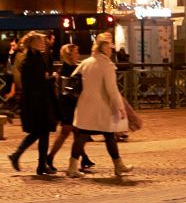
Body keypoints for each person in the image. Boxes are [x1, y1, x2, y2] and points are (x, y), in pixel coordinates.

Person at [67, 34, 133, 178]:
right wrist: (120, 107)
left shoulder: (86, 62)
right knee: (108, 134)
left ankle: (72, 167)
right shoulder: (106, 64)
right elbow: (111, 88)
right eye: (110, 47)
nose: (111, 50)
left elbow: (74, 79)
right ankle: (118, 165)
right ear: (104, 48)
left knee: (83, 136)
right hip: (102, 106)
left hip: (85, 105)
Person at [7, 32, 58, 175]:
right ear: (34, 43)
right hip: (38, 101)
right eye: (41, 41)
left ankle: (40, 165)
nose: (43, 42)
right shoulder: (33, 60)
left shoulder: (32, 58)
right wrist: (52, 78)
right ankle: (19, 155)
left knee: (42, 133)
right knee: (40, 132)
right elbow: (38, 82)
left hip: (36, 100)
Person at [47, 44, 94, 172]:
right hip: (70, 105)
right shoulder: (72, 69)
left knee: (77, 132)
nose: (78, 54)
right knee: (67, 132)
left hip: (67, 103)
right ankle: (50, 157)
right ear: (70, 54)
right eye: (76, 52)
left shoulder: (64, 68)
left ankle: (84, 158)